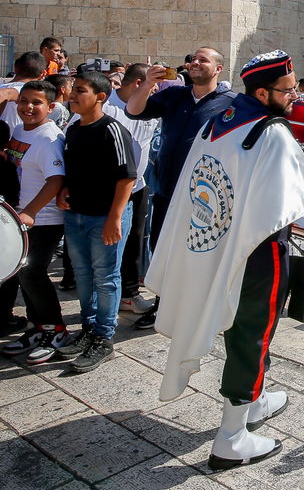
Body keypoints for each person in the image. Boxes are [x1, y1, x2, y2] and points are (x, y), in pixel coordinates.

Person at [146, 51, 304, 469]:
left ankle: (256, 399)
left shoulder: (220, 121)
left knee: (238, 322)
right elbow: (294, 204)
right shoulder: (272, 133)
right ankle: (231, 436)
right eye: (288, 89)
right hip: (258, 251)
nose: (296, 95)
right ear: (263, 92)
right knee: (253, 332)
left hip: (220, 243)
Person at [124, 47, 238, 330]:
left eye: (203, 60)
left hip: (203, 198)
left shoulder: (232, 103)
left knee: (197, 255)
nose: (195, 63)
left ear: (218, 69)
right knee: (162, 249)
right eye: (193, 59)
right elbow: (133, 110)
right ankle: (163, 306)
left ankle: (195, 309)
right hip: (166, 190)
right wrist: (149, 83)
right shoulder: (173, 95)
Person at [56, 72, 137, 373]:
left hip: (105, 216)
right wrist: (65, 189)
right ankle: (88, 328)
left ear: (100, 97)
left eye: (81, 91)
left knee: (105, 276)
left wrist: (115, 218)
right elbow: (72, 168)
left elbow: (127, 177)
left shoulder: (112, 130)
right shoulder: (74, 129)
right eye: (73, 90)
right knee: (82, 273)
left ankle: (104, 337)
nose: (73, 95)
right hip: (77, 214)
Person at [0, 81, 71, 364]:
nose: (28, 107)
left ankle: (56, 328)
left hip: (44, 218)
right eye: (24, 101)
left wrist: (32, 212)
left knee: (33, 272)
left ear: (50, 107)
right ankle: (37, 326)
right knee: (22, 272)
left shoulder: (49, 138)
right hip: (20, 215)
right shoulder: (19, 131)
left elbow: (56, 180)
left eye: (36, 103)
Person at [105, 63, 159, 314]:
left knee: (134, 242)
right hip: (109, 188)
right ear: (139, 83)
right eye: (153, 83)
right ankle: (103, 296)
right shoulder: (105, 107)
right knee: (108, 245)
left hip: (138, 186)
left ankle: (129, 293)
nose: (156, 89)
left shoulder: (149, 108)